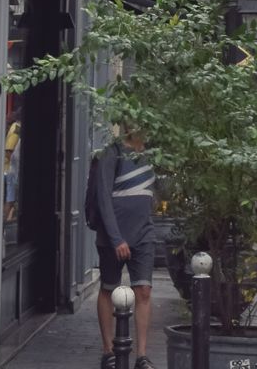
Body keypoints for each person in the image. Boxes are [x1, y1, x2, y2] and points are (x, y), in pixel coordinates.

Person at [92, 132, 157, 369]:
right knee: (108, 288)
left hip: (144, 234)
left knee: (144, 291)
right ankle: (108, 351)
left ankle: (141, 356)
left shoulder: (152, 153)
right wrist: (116, 238)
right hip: (113, 236)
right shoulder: (113, 151)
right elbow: (103, 198)